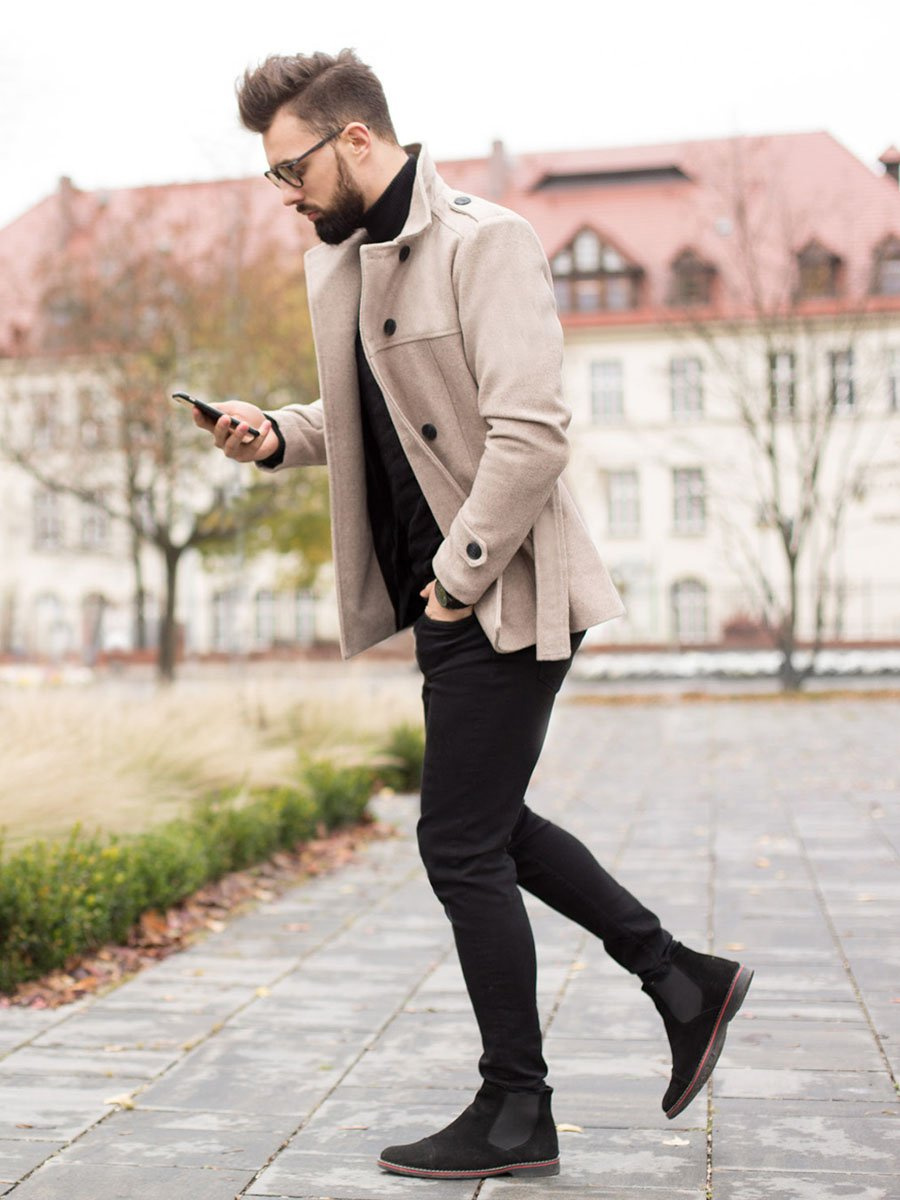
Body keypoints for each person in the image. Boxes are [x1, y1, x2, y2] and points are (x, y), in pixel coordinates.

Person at [194, 48, 753, 1181]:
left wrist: (457, 582)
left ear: (356, 139)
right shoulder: (345, 261)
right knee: (489, 825)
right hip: (445, 597)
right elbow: (377, 413)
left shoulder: (484, 242)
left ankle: (518, 1107)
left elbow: (531, 433)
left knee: (457, 842)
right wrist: (278, 433)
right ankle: (682, 979)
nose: (284, 195)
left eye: (291, 169)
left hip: (504, 591)